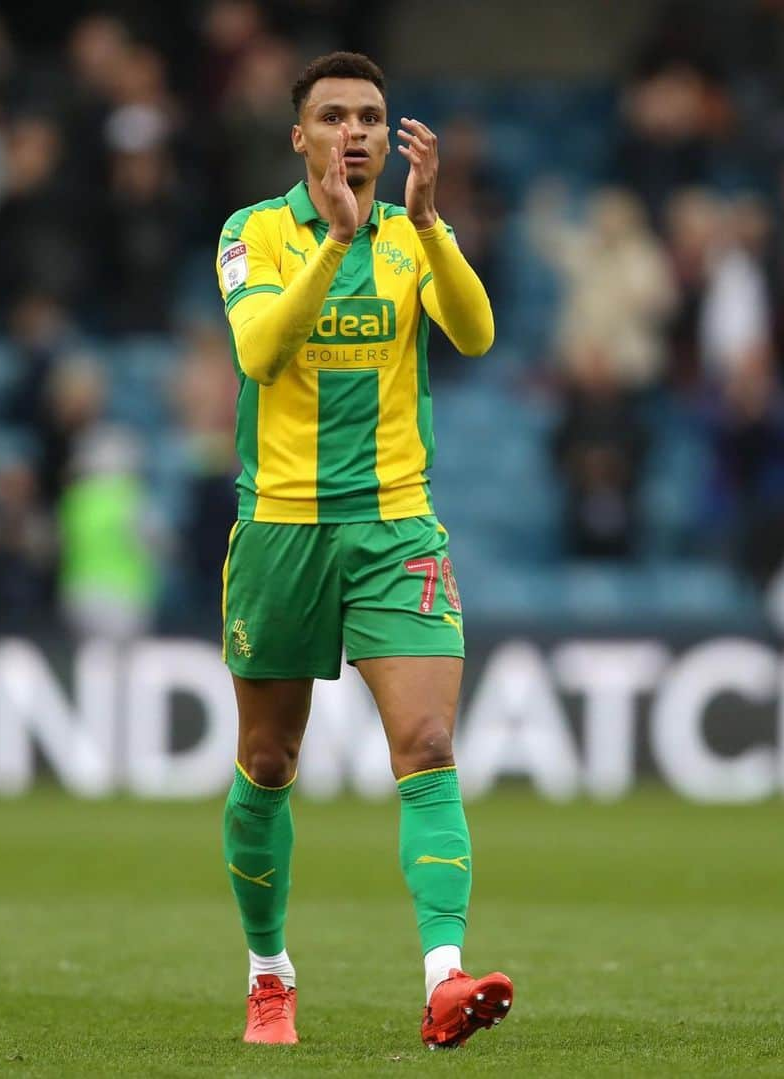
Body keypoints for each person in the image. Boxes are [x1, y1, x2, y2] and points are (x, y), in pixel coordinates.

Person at [214, 51, 513, 1050]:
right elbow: (260, 352)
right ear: (297, 136)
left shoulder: (416, 233)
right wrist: (334, 244)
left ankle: (444, 978)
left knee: (428, 747)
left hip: (396, 525)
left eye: (371, 117)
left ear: (391, 138)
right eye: (333, 115)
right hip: (282, 528)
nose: (355, 130)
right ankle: (268, 972)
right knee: (267, 758)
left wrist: (425, 225)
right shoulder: (251, 233)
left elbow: (474, 334)